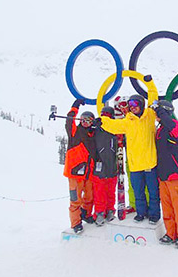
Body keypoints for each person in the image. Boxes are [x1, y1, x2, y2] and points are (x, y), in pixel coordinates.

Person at [99, 89, 160, 224]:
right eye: (130, 106)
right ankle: (141, 213)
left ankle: (154, 215)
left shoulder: (150, 115)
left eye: (135, 105)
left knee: (153, 192)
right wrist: (101, 121)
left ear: (141, 104)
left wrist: (150, 84)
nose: (133, 108)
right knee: (138, 193)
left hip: (150, 163)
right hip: (135, 164)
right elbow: (113, 125)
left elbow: (153, 97)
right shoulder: (128, 121)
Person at [152, 100, 178, 249]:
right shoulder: (160, 129)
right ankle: (171, 233)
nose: (156, 116)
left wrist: (159, 110)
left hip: (176, 174)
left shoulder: (174, 126)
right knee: (167, 207)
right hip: (163, 175)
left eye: (158, 113)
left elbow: (171, 124)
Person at [63, 99, 96, 233]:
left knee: (89, 197)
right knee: (75, 199)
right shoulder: (74, 133)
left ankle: (86, 214)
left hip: (88, 173)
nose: (85, 122)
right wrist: (75, 106)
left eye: (88, 120)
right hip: (74, 174)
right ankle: (75, 223)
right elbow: (69, 120)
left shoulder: (93, 134)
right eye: (83, 120)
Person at [92, 106, 118, 226]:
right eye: (103, 114)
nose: (105, 117)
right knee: (99, 190)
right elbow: (84, 130)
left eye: (108, 115)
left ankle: (110, 210)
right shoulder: (97, 128)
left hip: (112, 163)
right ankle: (99, 212)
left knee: (110, 190)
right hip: (100, 163)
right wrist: (94, 123)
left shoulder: (115, 127)